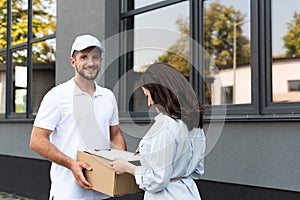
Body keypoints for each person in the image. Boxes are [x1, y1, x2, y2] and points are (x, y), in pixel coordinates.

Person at [30, 34, 126, 200]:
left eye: (95, 57)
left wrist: (121, 159)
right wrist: (71, 164)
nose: (91, 63)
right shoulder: (58, 95)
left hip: (103, 192)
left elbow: (115, 134)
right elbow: (37, 140)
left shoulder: (108, 96)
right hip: (68, 193)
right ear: (73, 62)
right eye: (84, 57)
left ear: (101, 61)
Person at [110, 63, 206, 200]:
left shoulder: (166, 126)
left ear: (160, 93)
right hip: (188, 193)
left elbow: (157, 180)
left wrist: (127, 167)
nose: (149, 103)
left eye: (148, 96)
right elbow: (197, 170)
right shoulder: (194, 123)